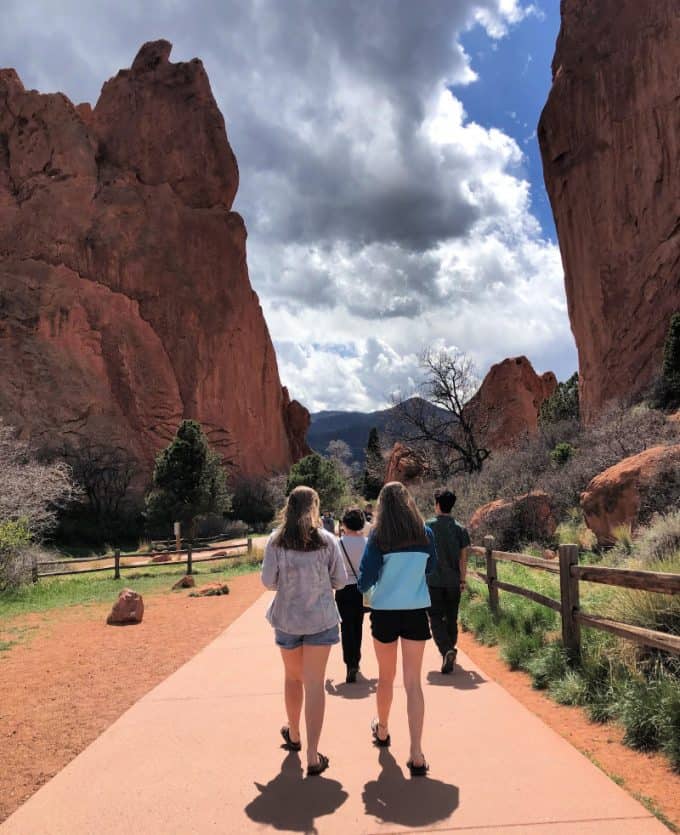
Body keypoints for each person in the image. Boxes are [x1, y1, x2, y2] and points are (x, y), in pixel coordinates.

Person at [261, 486, 348, 776]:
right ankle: (312, 755)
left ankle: (295, 734)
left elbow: (268, 582)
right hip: (320, 620)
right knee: (315, 684)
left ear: (289, 507)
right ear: (314, 508)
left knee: (292, 677)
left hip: (287, 619)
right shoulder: (328, 541)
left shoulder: (276, 541)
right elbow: (340, 580)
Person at [357, 481, 437, 776]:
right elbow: (432, 567)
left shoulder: (379, 536)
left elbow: (365, 579)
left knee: (386, 678)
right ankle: (417, 753)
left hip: (385, 612)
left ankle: (383, 729)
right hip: (416, 610)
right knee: (413, 682)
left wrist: (379, 584)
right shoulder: (424, 533)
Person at [426, 488, 470, 674]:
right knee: (451, 617)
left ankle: (446, 650)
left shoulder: (428, 526)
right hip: (453, 580)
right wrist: (462, 579)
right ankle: (450, 648)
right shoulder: (460, 529)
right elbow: (463, 558)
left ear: (437, 504)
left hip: (433, 580)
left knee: (435, 617)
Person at [335, 507, 368, 683]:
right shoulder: (368, 542)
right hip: (362, 589)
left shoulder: (337, 543)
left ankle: (350, 663)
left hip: (343, 589)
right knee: (358, 625)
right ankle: (357, 659)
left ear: (344, 523)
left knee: (346, 627)